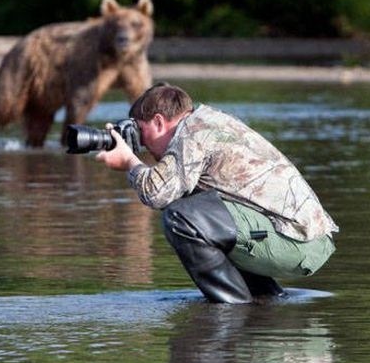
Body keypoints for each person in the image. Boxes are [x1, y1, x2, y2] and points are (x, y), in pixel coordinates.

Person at [96, 82, 338, 304]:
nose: (141, 143)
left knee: (181, 217)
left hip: (297, 240)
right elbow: (171, 191)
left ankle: (232, 309)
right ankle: (265, 301)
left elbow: (156, 193)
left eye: (140, 131)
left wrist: (129, 161)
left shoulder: (193, 133)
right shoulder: (207, 122)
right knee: (198, 212)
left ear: (159, 122)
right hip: (305, 239)